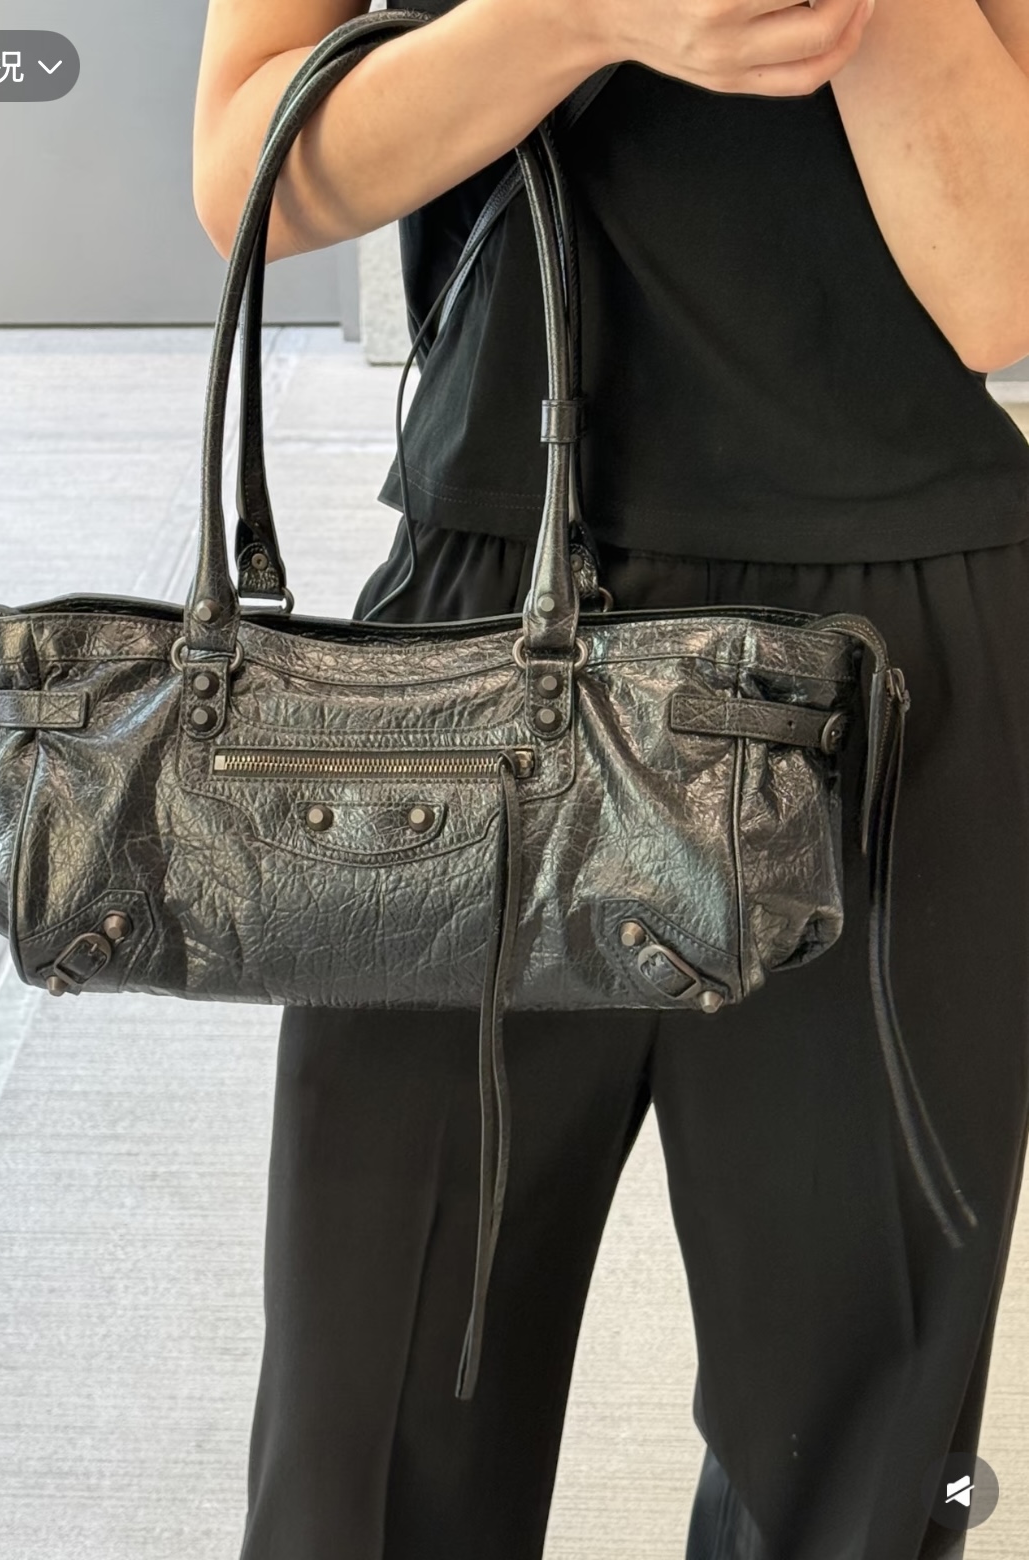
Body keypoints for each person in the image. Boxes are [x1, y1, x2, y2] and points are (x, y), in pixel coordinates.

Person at [192, 2, 1029, 1555]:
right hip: (483, 614)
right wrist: (575, 17)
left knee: (853, 1459)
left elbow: (1000, 286)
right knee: (367, 1431)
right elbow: (252, 170)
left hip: (892, 660)